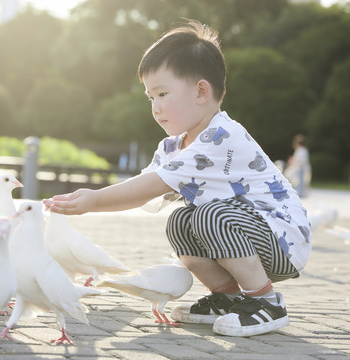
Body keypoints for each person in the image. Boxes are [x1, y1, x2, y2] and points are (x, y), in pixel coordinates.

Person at [44, 21, 312, 337]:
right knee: (181, 221)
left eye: (162, 94)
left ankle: (266, 302)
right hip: (244, 235)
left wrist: (95, 200)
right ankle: (227, 298)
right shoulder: (173, 146)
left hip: (282, 241)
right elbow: (142, 190)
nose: (155, 108)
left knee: (210, 215)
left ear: (201, 91)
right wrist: (93, 199)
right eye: (150, 98)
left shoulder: (220, 137)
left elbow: (151, 185)